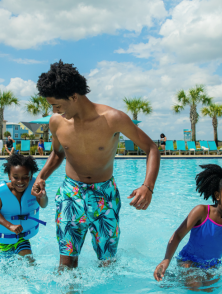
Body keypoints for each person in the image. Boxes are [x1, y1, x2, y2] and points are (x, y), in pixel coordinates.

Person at [33, 60, 160, 269]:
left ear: (74, 96)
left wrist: (148, 187)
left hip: (104, 193)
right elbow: (57, 153)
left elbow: (151, 149)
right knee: (66, 261)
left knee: (107, 261)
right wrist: (41, 176)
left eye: (57, 105)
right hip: (70, 192)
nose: (55, 110)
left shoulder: (113, 119)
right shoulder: (56, 122)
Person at [0, 154, 48, 257]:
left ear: (31, 176)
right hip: (4, 240)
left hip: (21, 238)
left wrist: (43, 196)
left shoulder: (33, 189)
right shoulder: (4, 192)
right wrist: (10, 226)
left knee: (28, 260)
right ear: (9, 176)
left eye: (25, 177)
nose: (20, 181)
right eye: (15, 177)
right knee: (6, 268)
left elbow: (43, 205)